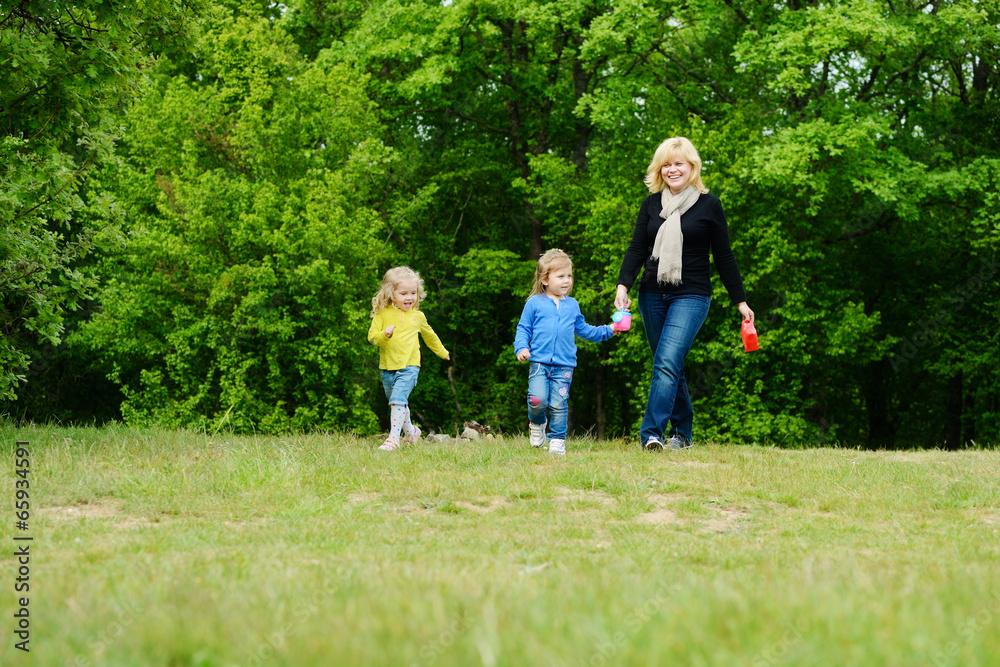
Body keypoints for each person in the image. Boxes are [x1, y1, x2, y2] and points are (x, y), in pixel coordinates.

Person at [614, 137, 754, 451]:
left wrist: (740, 301)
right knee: (669, 364)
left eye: (679, 163)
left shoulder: (709, 205)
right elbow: (638, 248)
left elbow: (724, 256)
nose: (672, 169)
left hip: (691, 294)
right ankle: (683, 434)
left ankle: (651, 434)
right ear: (659, 168)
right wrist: (623, 286)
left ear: (692, 166)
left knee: (665, 361)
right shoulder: (651, 204)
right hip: (651, 293)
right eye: (666, 163)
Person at [514, 249, 620, 455]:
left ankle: (557, 441)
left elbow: (586, 330)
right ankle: (537, 424)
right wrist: (522, 347)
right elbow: (523, 328)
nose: (567, 281)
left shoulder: (572, 305)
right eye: (561, 276)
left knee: (558, 403)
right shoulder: (534, 303)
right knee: (537, 400)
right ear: (545, 279)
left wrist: (609, 330)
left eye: (569, 276)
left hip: (564, 365)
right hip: (539, 362)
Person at [368, 266, 450, 451]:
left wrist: (442, 352)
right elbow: (372, 337)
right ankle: (412, 431)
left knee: (397, 400)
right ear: (391, 293)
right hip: (387, 368)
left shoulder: (417, 317)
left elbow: (430, 336)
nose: (409, 297)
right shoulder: (382, 314)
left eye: (413, 293)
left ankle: (393, 439)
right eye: (403, 293)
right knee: (398, 402)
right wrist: (384, 334)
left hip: (409, 367)